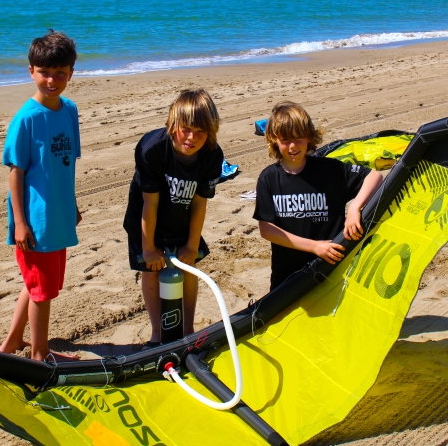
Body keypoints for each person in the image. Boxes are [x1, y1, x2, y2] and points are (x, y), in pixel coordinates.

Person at [0, 30, 81, 362]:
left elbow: (67, 163)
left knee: (37, 284)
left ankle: (13, 341)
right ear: (31, 71)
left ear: (71, 73)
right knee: (42, 291)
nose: (52, 80)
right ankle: (39, 354)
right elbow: (15, 173)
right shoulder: (26, 119)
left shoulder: (69, 110)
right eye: (44, 72)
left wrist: (72, 204)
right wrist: (20, 223)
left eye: (60, 73)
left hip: (58, 214)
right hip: (35, 220)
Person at [123, 89, 223, 347]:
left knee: (188, 267)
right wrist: (148, 248)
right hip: (146, 216)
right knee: (151, 269)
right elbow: (150, 202)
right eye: (186, 129)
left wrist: (191, 245)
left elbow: (200, 203)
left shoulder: (212, 154)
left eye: (201, 132)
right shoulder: (152, 149)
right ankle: (158, 334)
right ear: (172, 124)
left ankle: (188, 330)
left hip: (184, 215)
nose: (192, 138)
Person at [253, 101, 383, 290]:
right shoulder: (269, 178)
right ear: (274, 140)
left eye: (298, 138)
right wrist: (314, 247)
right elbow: (266, 229)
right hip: (287, 275)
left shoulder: (329, 170)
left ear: (309, 136)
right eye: (285, 140)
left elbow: (374, 176)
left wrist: (355, 208)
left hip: (333, 269)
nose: (292, 146)